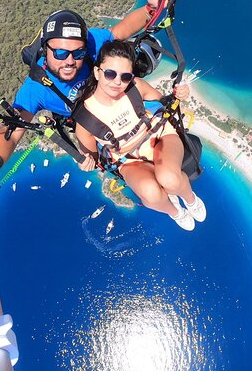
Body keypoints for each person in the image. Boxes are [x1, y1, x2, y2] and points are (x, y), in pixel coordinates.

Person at [0, 0, 171, 204]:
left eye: (78, 53)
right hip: (99, 131)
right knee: (149, 180)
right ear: (45, 51)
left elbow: (121, 31)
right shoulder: (36, 89)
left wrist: (151, 9)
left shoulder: (90, 42)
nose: (70, 61)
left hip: (124, 108)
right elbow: (11, 130)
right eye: (61, 53)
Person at [73, 40, 206, 231]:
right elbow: (91, 157)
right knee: (151, 194)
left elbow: (164, 102)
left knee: (170, 179)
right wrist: (85, 163)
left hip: (159, 136)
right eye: (110, 74)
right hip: (127, 159)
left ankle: (190, 200)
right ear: (97, 72)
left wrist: (179, 93)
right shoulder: (86, 119)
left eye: (125, 76)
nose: (117, 82)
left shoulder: (135, 87)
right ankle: (176, 212)